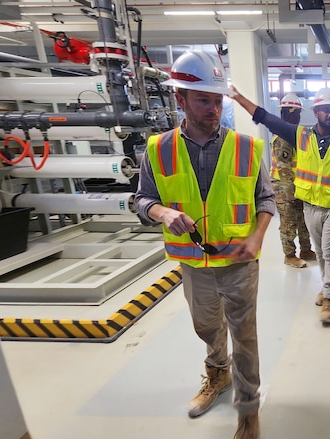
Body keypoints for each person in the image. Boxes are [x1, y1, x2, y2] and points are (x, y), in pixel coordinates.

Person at [134, 50, 272, 439]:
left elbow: (266, 199)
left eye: (217, 100)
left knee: (244, 335)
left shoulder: (247, 147)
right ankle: (218, 375)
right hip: (193, 265)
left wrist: (256, 236)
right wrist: (162, 213)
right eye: (203, 100)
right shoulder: (157, 149)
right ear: (180, 99)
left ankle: (248, 410)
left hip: (240, 264)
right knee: (207, 328)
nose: (213, 109)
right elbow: (142, 200)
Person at [230, 86, 330, 326]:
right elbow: (266, 118)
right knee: (320, 252)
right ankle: (327, 286)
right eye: (325, 110)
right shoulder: (300, 135)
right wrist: (239, 97)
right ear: (317, 112)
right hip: (310, 204)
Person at [272, 93, 316, 268]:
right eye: (296, 113)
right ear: (287, 113)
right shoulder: (283, 137)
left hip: (297, 186)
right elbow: (283, 168)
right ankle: (289, 255)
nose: (298, 117)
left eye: (298, 113)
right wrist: (291, 193)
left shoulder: (295, 134)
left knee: (302, 220)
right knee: (289, 222)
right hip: (284, 188)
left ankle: (306, 249)